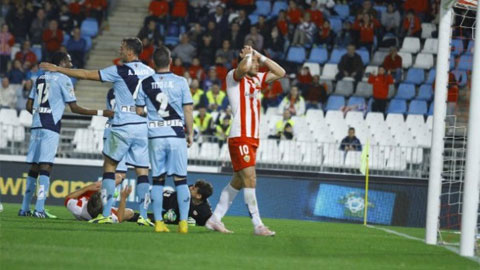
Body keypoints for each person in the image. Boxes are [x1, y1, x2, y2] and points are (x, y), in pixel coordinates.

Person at [40, 38, 155, 224]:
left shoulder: (119, 70)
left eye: (123, 47)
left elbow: (86, 74)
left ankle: (106, 213)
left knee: (109, 167)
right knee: (142, 172)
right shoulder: (151, 72)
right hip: (142, 126)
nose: (120, 48)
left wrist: (59, 69)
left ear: (130, 52)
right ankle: (143, 216)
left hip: (122, 124)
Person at [19, 52, 113, 218]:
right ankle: (39, 209)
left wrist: (39, 114)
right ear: (61, 62)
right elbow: (75, 108)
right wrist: (101, 112)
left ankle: (25, 207)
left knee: (34, 166)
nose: (71, 64)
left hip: (36, 124)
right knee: (46, 166)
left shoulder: (39, 78)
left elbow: (28, 105)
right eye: (69, 61)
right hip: (50, 125)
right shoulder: (64, 79)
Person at [206, 45, 285, 236]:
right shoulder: (233, 77)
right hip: (240, 136)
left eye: (257, 62)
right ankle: (258, 225)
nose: (257, 65)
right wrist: (248, 56)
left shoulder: (257, 79)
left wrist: (260, 55)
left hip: (252, 138)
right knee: (250, 178)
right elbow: (242, 69)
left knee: (238, 182)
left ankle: (215, 218)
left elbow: (280, 72)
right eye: (254, 62)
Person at [135, 45, 194, 233]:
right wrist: (190, 133)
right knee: (181, 180)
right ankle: (183, 223)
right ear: (170, 61)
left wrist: (152, 114)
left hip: (156, 136)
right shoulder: (181, 81)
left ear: (153, 63)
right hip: (176, 134)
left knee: (158, 180)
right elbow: (188, 109)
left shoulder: (145, 83)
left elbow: (138, 110)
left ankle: (159, 223)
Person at [65, 177, 133, 222]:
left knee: (117, 178)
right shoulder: (107, 215)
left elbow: (67, 198)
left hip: (90, 198)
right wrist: (123, 198)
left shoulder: (78, 208)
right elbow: (119, 218)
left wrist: (87, 188)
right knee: (130, 212)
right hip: (102, 208)